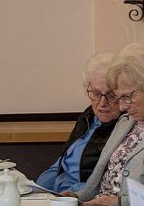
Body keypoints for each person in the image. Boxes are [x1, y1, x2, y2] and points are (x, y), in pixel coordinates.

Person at [72, 43, 144, 206]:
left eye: (127, 97)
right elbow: (102, 180)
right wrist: (76, 198)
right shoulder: (127, 121)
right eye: (119, 97)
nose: (122, 106)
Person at [36, 53, 122, 193]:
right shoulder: (88, 117)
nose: (102, 103)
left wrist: (65, 195)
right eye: (96, 94)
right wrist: (38, 188)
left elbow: (107, 185)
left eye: (111, 95)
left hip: (78, 198)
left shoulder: (125, 129)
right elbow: (62, 162)